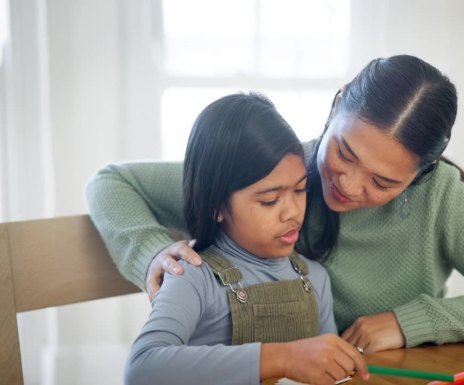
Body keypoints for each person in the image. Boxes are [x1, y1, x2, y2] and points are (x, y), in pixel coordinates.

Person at [87, 55, 464, 356]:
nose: (349, 185)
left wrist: (410, 322)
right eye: (343, 152)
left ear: (421, 174)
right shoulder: (278, 174)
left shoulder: (440, 197)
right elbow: (112, 182)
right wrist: (151, 251)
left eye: (383, 181)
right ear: (337, 104)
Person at [123, 93, 368, 385]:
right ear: (216, 207)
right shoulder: (193, 277)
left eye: (300, 190)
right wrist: (283, 358)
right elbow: (141, 370)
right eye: (269, 200)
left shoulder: (315, 277)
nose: (292, 211)